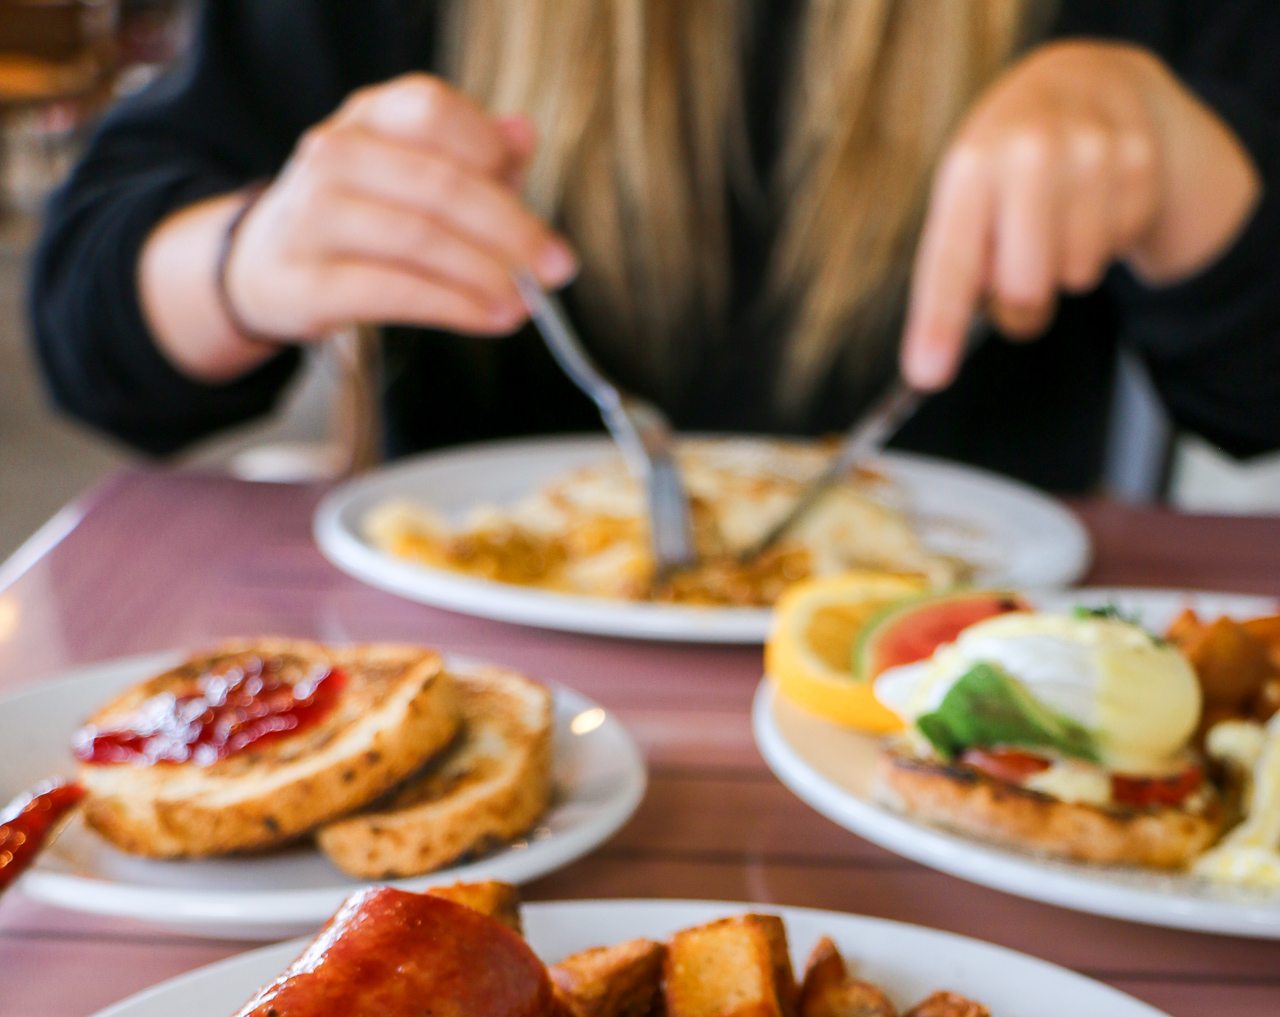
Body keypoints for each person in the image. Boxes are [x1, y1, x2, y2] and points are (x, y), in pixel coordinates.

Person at [31, 1, 1280, 492]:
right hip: (469, 701)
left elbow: (1256, 395)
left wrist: (1188, 181)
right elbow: (94, 346)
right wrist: (251, 259)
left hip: (962, 706)